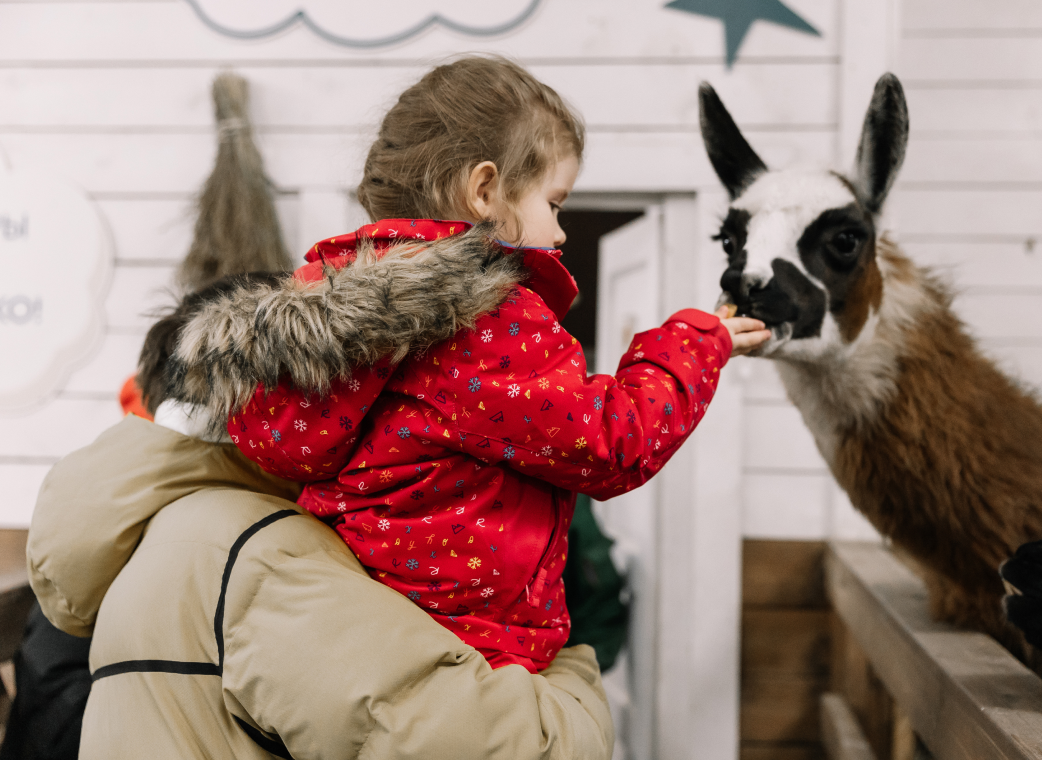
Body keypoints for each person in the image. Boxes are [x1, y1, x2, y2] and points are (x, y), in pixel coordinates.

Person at [167, 56, 770, 674]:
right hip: (476, 650)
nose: (560, 234)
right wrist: (697, 342)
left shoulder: (328, 322)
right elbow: (613, 440)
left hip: (366, 636)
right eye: (554, 204)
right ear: (484, 191)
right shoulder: (484, 323)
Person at [27, 272, 618, 759]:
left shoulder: (161, 532)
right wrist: (570, 673)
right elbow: (488, 747)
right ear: (271, 406)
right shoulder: (257, 551)